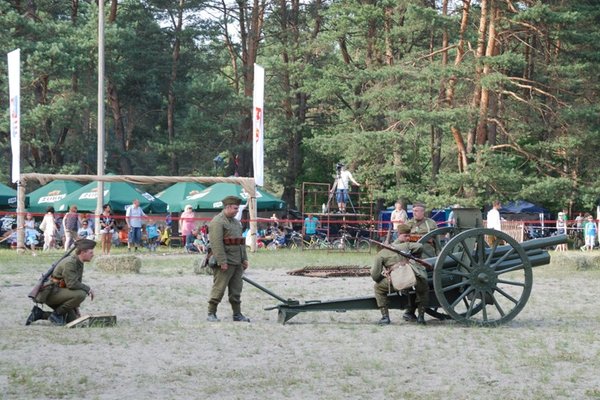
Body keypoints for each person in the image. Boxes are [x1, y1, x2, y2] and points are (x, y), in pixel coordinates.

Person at [26, 239, 96, 326]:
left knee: (71, 320)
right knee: (81, 293)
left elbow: (76, 284)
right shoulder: (70, 263)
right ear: (82, 252)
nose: (93, 255)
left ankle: (39, 314)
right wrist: (88, 289)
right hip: (52, 293)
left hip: (60, 292)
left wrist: (76, 308)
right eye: (90, 252)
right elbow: (72, 284)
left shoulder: (78, 262)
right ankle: (57, 314)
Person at [371, 224, 428, 325]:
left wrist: (384, 277)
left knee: (378, 288)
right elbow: (420, 246)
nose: (408, 238)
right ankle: (421, 318)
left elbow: (375, 275)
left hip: (395, 281)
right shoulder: (406, 245)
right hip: (412, 278)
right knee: (423, 286)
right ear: (399, 235)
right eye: (406, 236)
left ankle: (385, 317)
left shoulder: (381, 253)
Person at [207, 196, 250, 322]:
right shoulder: (217, 222)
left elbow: (240, 242)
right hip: (225, 262)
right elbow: (216, 243)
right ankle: (211, 313)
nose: (237, 210)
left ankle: (237, 314)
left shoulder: (236, 223)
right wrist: (222, 261)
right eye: (235, 208)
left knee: (236, 290)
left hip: (237, 261)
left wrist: (244, 259)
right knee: (219, 288)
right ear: (228, 207)